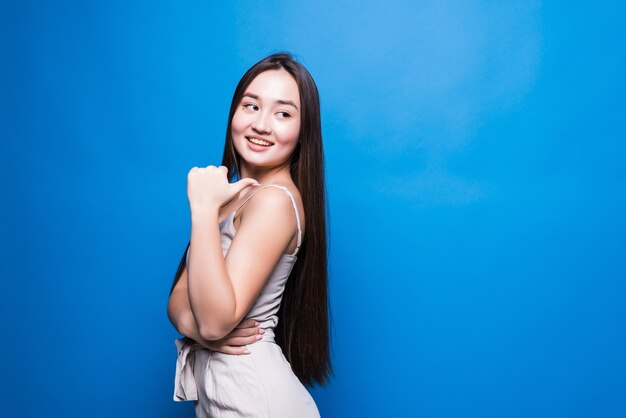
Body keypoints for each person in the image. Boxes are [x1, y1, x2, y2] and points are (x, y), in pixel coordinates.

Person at [167, 52, 331, 417]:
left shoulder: (273, 201)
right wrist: (202, 331)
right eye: (251, 106)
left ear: (304, 131)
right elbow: (178, 301)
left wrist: (202, 208)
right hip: (231, 394)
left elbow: (213, 321)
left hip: (254, 399)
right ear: (233, 113)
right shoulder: (234, 197)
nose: (262, 124)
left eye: (283, 113)